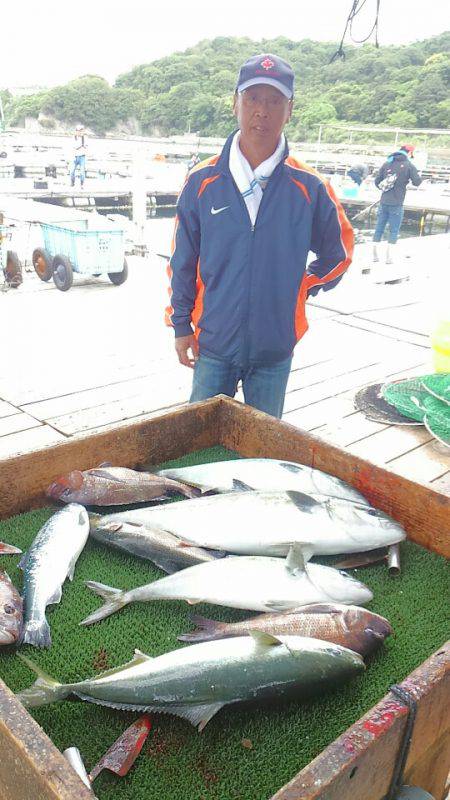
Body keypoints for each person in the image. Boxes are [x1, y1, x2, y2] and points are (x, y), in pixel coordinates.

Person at [165, 54, 353, 418]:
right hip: (212, 342)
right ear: (235, 103)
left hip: (274, 347)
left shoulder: (310, 187)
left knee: (264, 450)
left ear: (290, 110)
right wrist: (180, 324)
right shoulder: (202, 181)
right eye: (252, 99)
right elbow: (182, 261)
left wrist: (301, 286)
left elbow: (341, 252)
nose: (261, 112)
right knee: (197, 440)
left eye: (274, 101)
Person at [372, 144, 422, 265]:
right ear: (409, 153)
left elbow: (377, 182)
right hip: (397, 203)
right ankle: (389, 257)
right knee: (394, 230)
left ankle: (374, 255)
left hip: (383, 201)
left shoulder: (387, 163)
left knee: (379, 227)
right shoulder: (409, 165)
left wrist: (386, 186)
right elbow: (417, 182)